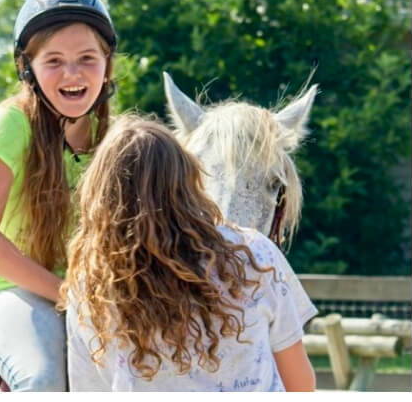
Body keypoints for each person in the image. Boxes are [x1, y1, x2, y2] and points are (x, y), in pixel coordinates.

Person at [0, 0, 117, 392]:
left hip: (69, 286)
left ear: (107, 64)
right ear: (27, 68)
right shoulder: (9, 125)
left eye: (87, 58)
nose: (72, 73)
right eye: (53, 60)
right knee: (43, 378)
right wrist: (68, 294)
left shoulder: (109, 136)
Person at [62, 115, 318, 391]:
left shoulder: (88, 287)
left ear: (97, 193)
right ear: (190, 177)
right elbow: (300, 383)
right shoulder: (256, 255)